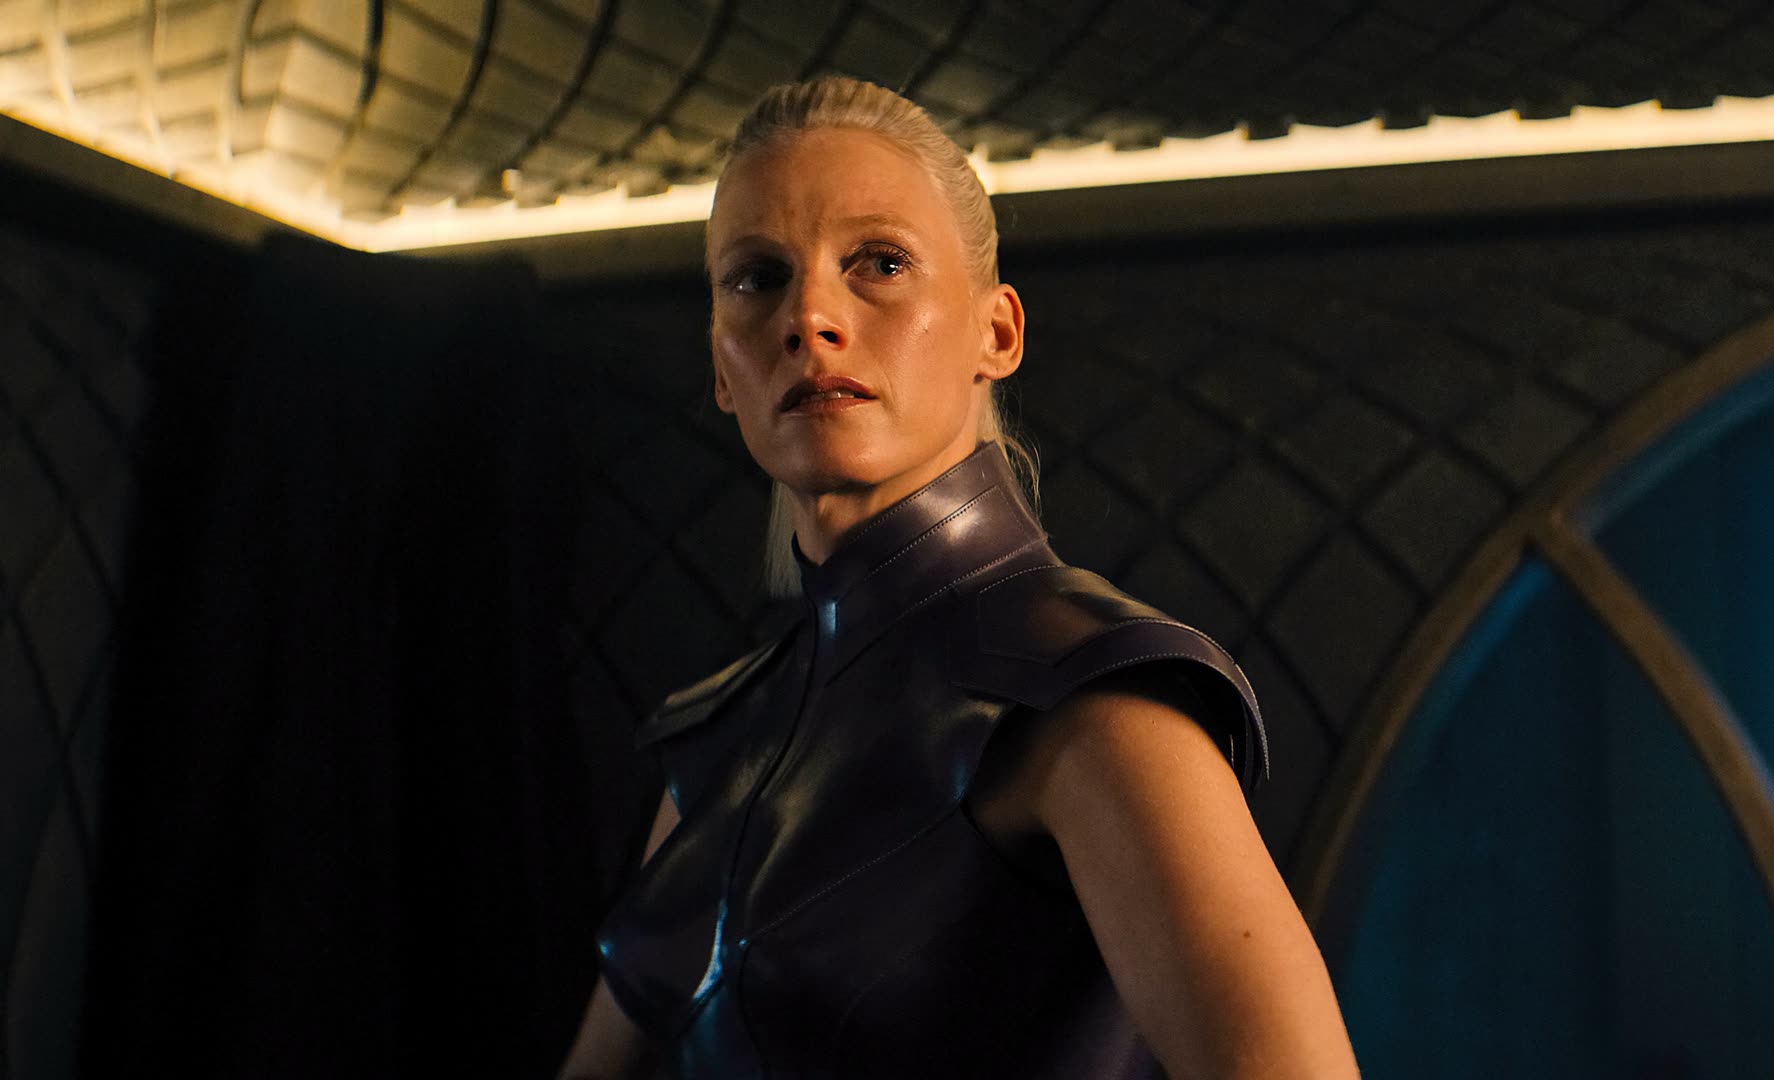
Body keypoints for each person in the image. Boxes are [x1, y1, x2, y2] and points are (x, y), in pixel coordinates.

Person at [560, 76, 1359, 1080]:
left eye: (880, 263)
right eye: (758, 277)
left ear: (998, 333)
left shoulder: (1094, 704)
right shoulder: (716, 744)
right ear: (723, 369)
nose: (810, 315)